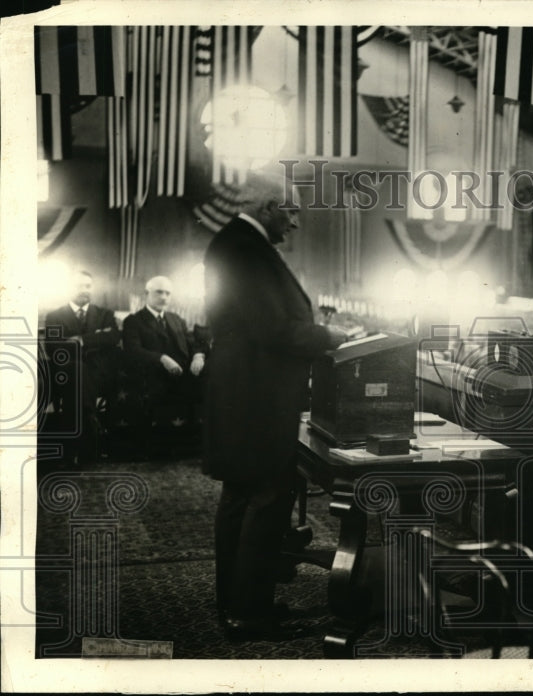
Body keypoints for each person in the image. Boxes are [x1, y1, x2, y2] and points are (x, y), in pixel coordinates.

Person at [202, 174, 350, 641]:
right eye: (293, 212)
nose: (298, 223)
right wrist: (332, 337)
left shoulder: (236, 244)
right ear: (269, 206)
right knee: (263, 502)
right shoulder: (245, 249)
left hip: (244, 397)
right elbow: (274, 330)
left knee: (241, 500)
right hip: (256, 401)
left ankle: (238, 604)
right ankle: (249, 614)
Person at [43, 270, 120, 463]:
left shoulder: (105, 314)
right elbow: (54, 347)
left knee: (78, 379)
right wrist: (97, 338)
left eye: (88, 286)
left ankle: (74, 447)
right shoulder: (54, 316)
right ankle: (91, 428)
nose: (84, 290)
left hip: (99, 374)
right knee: (77, 371)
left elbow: (113, 338)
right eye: (79, 286)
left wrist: (81, 340)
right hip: (68, 373)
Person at [122, 276, 208, 445]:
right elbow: (133, 351)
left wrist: (198, 356)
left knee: (210, 378)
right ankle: (162, 444)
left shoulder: (176, 319)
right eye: (159, 292)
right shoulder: (134, 321)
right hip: (153, 373)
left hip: (183, 372)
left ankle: (198, 442)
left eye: (168, 293)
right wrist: (161, 358)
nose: (164, 297)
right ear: (146, 294)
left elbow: (193, 343)